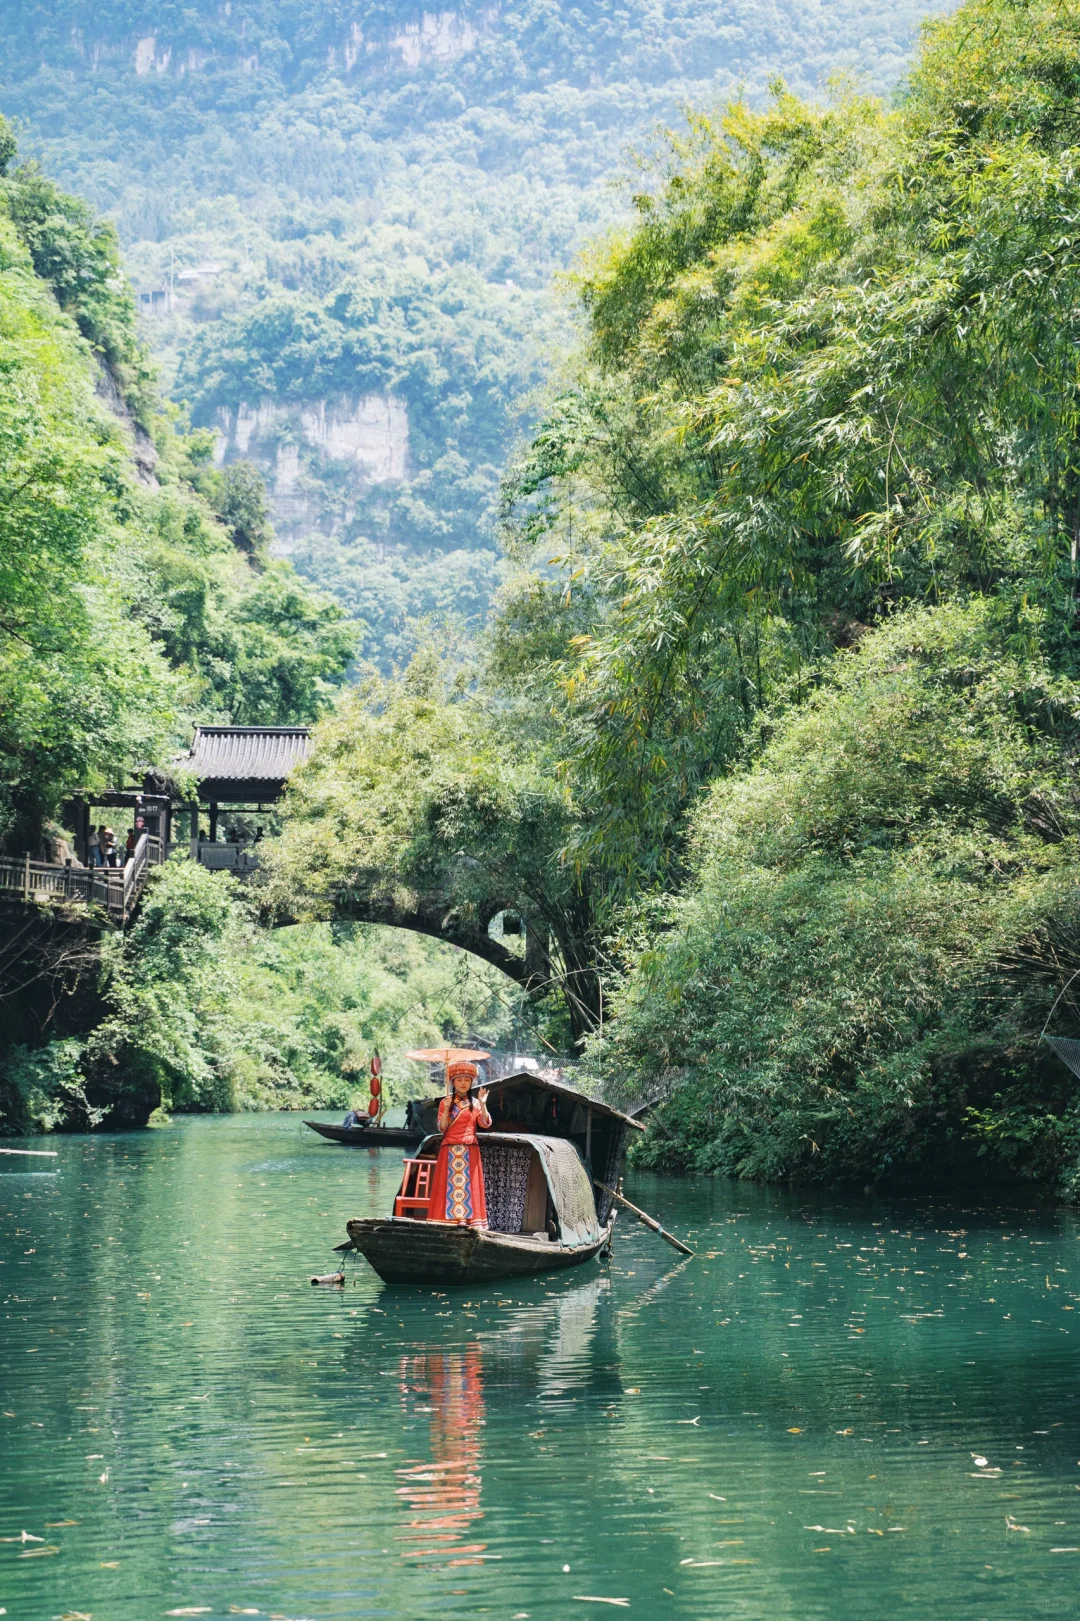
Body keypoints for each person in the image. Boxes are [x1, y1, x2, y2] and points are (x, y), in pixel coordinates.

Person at [425, 1060, 492, 1227]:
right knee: (450, 1185)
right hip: (449, 1149)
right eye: (460, 1080)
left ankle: (468, 1221)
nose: (463, 1083)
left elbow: (485, 1123)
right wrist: (447, 1108)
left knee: (468, 1186)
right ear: (453, 1082)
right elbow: (442, 1128)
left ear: (471, 1082)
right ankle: (449, 1221)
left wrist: (483, 1105)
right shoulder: (445, 1102)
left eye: (467, 1080)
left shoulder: (475, 1103)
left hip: (470, 1149)